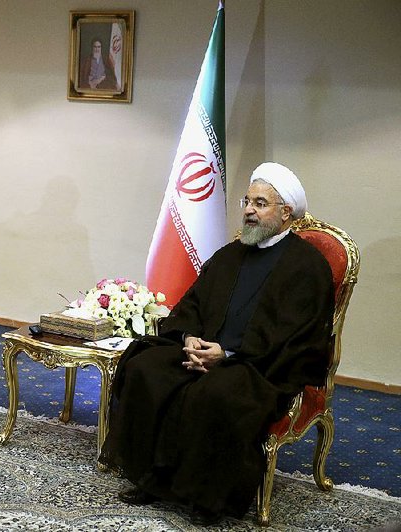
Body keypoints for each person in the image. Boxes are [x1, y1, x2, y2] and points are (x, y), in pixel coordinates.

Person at [99, 163, 335, 525]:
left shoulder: (307, 267)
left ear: (286, 213)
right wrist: (190, 339)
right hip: (202, 351)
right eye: (248, 201)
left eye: (261, 203)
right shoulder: (231, 254)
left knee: (217, 394)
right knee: (146, 368)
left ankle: (205, 497)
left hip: (259, 365)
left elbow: (295, 337)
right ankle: (152, 479)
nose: (249, 210)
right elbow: (192, 304)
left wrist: (227, 354)